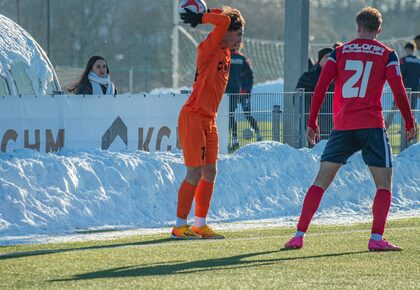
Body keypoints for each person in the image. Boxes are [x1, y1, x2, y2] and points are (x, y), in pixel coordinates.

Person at [284, 7, 416, 251]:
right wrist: (409, 122)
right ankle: (376, 238)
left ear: (357, 28)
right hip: (372, 126)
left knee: (320, 181)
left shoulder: (339, 52)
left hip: (343, 127)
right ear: (379, 29)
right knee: (383, 185)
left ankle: (298, 234)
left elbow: (321, 86)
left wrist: (311, 122)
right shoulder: (387, 54)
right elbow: (399, 90)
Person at [171, 6, 245, 239]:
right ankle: (179, 225)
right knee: (194, 170)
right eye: (238, 33)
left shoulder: (225, 51)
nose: (240, 39)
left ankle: (200, 224)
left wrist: (204, 10)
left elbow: (223, 20)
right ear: (224, 32)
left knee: (210, 171)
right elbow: (222, 21)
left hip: (209, 118)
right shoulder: (210, 47)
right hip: (193, 115)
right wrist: (202, 16)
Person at [226, 43, 261, 150]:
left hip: (230, 92)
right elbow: (250, 76)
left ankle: (235, 140)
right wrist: (246, 89)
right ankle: (259, 135)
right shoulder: (242, 58)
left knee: (230, 115)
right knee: (247, 114)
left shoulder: (225, 58)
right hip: (243, 92)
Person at [296, 47, 334, 141]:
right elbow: (299, 98)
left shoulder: (338, 77)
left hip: (333, 121)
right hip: (315, 120)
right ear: (320, 60)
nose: (330, 59)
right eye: (327, 56)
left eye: (332, 57)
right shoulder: (308, 76)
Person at [400, 42, 420, 109]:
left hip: (404, 87)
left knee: (396, 105)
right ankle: (412, 119)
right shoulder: (418, 61)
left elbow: (400, 73)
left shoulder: (403, 60)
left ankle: (388, 120)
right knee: (412, 108)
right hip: (415, 88)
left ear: (407, 49)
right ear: (414, 49)